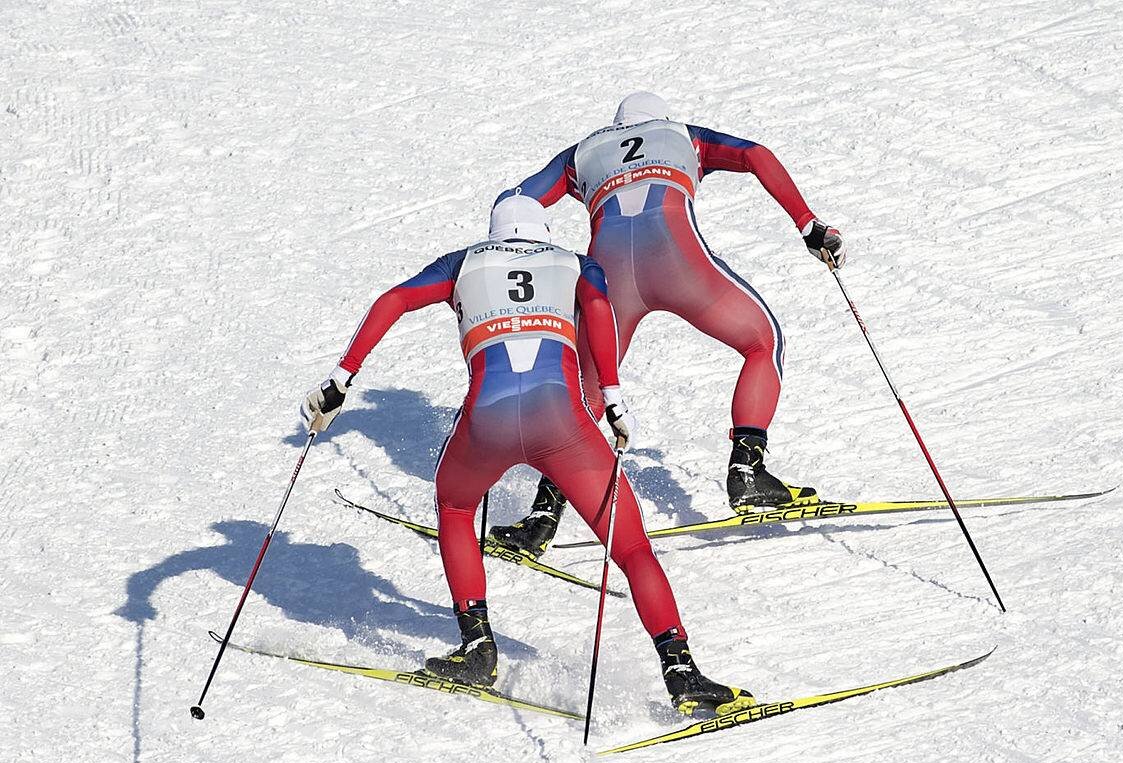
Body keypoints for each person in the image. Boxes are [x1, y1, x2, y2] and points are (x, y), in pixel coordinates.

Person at [301, 195, 755, 718]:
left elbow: (392, 300)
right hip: (564, 424)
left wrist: (340, 380)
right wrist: (612, 396)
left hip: (486, 422)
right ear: (541, 230)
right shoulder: (575, 263)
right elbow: (602, 312)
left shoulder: (464, 261)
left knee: (454, 508)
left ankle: (477, 647)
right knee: (631, 549)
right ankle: (682, 672)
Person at [488, 91, 846, 559]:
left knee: (586, 395)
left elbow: (515, 200)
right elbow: (755, 154)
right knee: (762, 341)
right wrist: (808, 225)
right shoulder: (682, 135)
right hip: (678, 261)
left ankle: (540, 518)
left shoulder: (582, 153)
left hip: (610, 278)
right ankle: (747, 470)